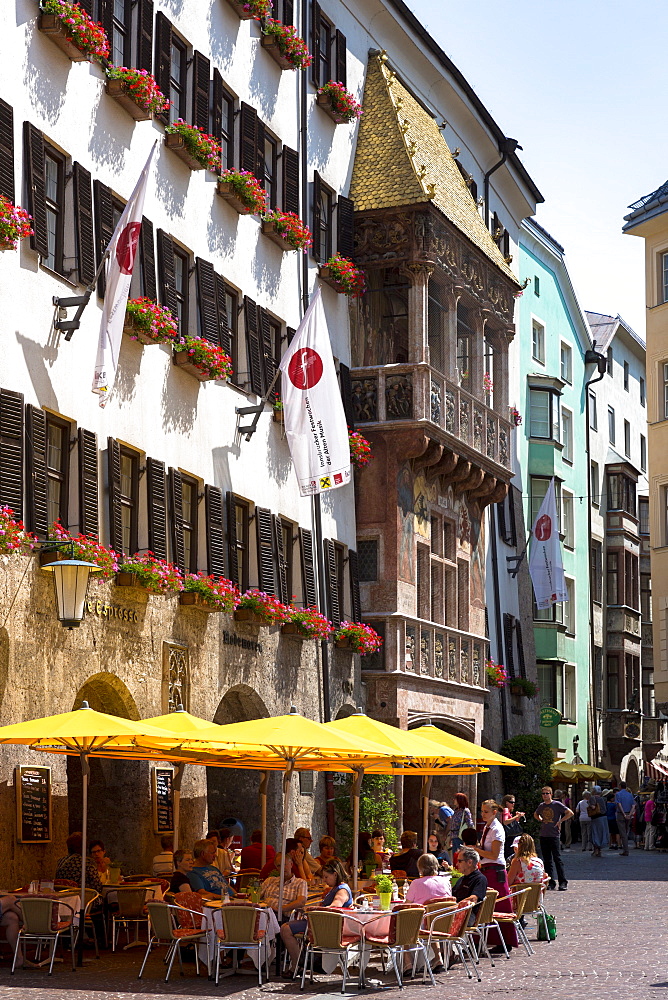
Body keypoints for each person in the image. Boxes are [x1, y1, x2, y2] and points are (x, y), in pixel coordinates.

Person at [279, 858, 352, 978]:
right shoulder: (337, 888)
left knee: (285, 929)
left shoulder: (342, 890)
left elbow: (335, 906)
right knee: (286, 928)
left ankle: (297, 965)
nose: (324, 880)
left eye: (326, 877)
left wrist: (313, 910)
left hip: (324, 925)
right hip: (321, 922)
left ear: (335, 874)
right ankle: (298, 963)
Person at [477, 800, 517, 952]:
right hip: (486, 869)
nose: (483, 814)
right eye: (482, 811)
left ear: (494, 812)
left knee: (500, 905)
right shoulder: (487, 827)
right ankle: (488, 939)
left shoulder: (497, 829)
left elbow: (494, 854)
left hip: (495, 870)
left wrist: (476, 849)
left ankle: (505, 941)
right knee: (487, 906)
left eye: (486, 811)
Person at [533, 786, 572, 890]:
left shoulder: (557, 804)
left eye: (547, 793)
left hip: (554, 835)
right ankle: (551, 882)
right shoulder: (541, 806)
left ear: (551, 794)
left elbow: (569, 813)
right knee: (547, 860)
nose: (545, 795)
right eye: (543, 794)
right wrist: (540, 819)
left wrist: (560, 821)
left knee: (557, 859)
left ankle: (563, 882)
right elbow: (536, 814)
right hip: (543, 835)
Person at [261, 858, 308, 922]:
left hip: (283, 916)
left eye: (284, 864)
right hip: (265, 911)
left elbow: (301, 902)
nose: (282, 868)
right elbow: (255, 896)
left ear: (291, 864)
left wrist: (280, 909)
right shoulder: (270, 880)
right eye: (279, 866)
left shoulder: (300, 882)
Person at [500, 794, 525, 860]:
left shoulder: (509, 811)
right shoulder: (505, 810)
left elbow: (513, 824)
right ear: (506, 802)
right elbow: (505, 822)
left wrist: (517, 817)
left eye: (514, 802)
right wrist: (516, 816)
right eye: (511, 802)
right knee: (509, 853)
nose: (513, 804)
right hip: (508, 836)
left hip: (510, 836)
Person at [615, 781, 635, 855]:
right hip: (628, 814)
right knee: (626, 831)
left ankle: (626, 850)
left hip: (621, 814)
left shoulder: (618, 794)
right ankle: (625, 849)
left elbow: (619, 804)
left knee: (622, 832)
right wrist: (629, 814)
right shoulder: (630, 795)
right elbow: (633, 805)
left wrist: (623, 814)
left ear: (620, 786)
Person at [588, 785, 609, 857]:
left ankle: (596, 850)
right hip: (604, 818)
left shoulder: (592, 798)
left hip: (596, 818)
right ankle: (599, 850)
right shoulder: (603, 799)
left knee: (595, 833)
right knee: (601, 834)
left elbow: (593, 807)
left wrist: (590, 805)